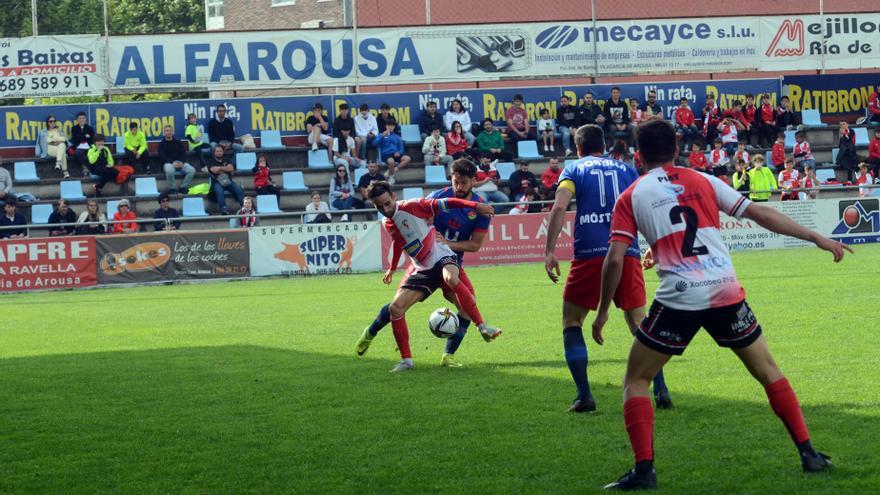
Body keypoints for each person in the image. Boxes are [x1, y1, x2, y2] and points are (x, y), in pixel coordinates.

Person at [592, 119, 847, 490]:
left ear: (638, 155)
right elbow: (760, 213)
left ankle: (644, 471)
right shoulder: (704, 180)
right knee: (768, 371)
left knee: (636, 379)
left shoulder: (632, 194)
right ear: (677, 149)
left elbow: (615, 259)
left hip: (679, 295)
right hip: (725, 289)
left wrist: (601, 313)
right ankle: (808, 453)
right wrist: (815, 236)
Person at [544, 124, 669, 414]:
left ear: (578, 148)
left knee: (572, 321)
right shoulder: (626, 170)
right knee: (639, 323)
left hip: (589, 251)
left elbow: (560, 207)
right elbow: (646, 206)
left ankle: (585, 395)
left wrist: (550, 251)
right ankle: (661, 388)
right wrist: (654, 242)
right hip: (626, 250)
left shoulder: (574, 169)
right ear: (604, 144)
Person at [358, 160, 497, 367]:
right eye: (455, 181)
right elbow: (403, 232)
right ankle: (371, 331)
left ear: (473, 182)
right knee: (396, 307)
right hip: (422, 264)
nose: (459, 186)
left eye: (464, 183)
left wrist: (448, 242)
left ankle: (448, 356)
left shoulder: (480, 209)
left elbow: (475, 245)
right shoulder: (434, 198)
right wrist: (393, 267)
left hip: (449, 259)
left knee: (467, 307)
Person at [207, 145, 244, 215]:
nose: (219, 153)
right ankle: (223, 210)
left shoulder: (226, 160)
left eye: (220, 151)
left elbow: (231, 168)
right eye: (217, 151)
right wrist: (225, 168)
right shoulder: (211, 161)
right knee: (219, 192)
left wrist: (219, 168)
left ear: (223, 152)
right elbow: (214, 170)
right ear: (214, 153)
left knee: (238, 190)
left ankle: (245, 208)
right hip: (217, 182)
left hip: (228, 182)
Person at [159, 125, 195, 195]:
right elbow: (162, 156)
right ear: (164, 133)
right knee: (169, 170)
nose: (169, 132)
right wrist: (172, 163)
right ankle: (172, 189)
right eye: (167, 131)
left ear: (172, 132)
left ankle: (183, 187)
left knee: (192, 170)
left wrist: (182, 162)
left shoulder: (178, 142)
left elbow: (183, 153)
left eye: (170, 130)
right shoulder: (161, 144)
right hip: (168, 163)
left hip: (180, 162)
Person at [372, 118, 410, 185]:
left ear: (394, 127)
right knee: (391, 161)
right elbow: (374, 143)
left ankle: (391, 171)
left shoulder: (397, 137)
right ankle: (391, 177)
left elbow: (401, 148)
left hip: (396, 154)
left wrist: (399, 152)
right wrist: (382, 135)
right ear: (386, 126)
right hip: (386, 155)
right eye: (389, 125)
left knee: (407, 158)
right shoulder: (381, 135)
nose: (390, 127)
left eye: (392, 126)